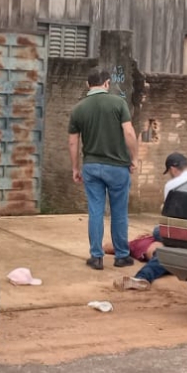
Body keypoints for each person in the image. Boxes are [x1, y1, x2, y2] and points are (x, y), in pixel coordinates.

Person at [68, 68, 139, 270]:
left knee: (95, 211)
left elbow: (73, 142)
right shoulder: (119, 103)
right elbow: (129, 132)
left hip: (91, 167)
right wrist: (134, 158)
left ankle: (96, 256)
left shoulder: (78, 109)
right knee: (119, 212)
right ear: (107, 83)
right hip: (117, 168)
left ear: (87, 84)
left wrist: (75, 167)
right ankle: (122, 256)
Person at [112, 152, 187, 291]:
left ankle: (142, 277)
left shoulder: (172, 184)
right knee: (165, 248)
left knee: (159, 234)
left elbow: (168, 213)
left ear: (172, 169)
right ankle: (142, 277)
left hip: (182, 232)